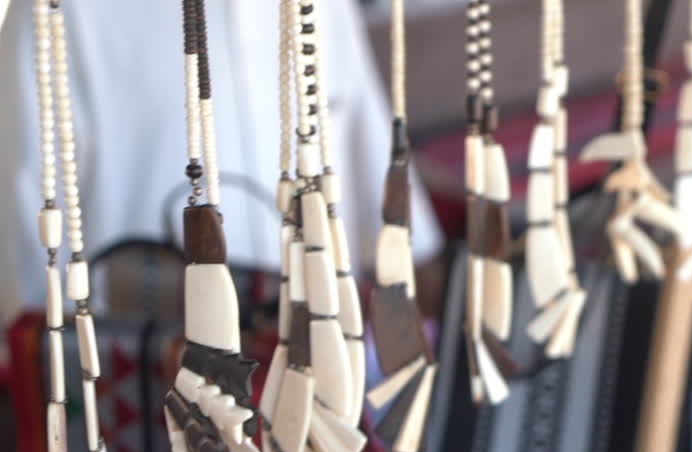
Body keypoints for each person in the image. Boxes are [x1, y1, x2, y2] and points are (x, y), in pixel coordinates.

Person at [0, 0, 442, 333]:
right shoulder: (60, 12)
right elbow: (24, 264)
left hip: (322, 374)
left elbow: (391, 218)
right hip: (141, 394)